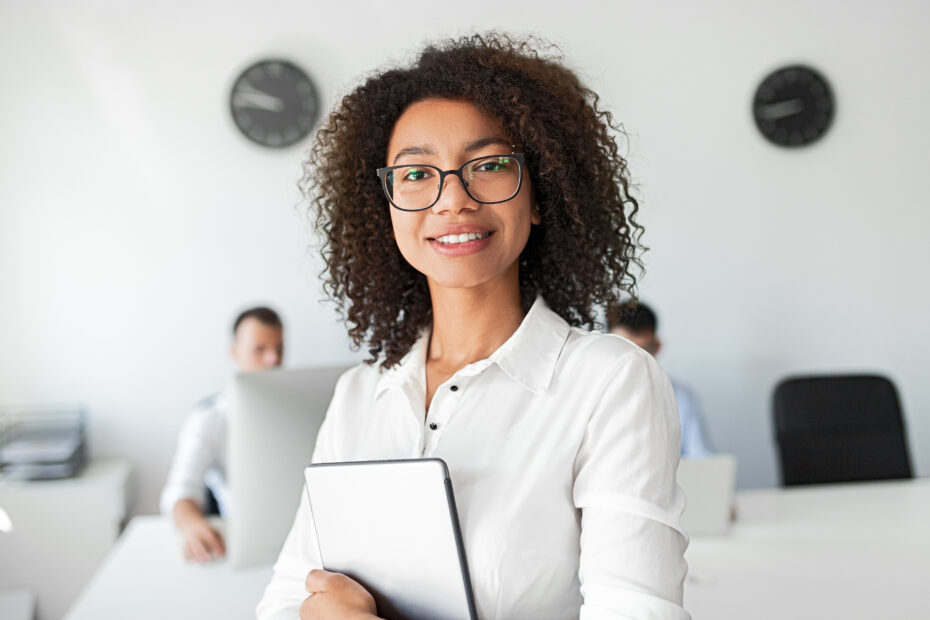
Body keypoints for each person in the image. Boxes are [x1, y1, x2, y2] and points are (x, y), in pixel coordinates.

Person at [258, 33, 688, 619]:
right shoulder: (360, 396)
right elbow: (285, 603)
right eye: (415, 175)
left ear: (539, 195)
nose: (451, 200)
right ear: (385, 210)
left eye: (488, 165)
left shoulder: (611, 383)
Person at [160, 306, 284, 563]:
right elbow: (179, 491)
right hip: (243, 546)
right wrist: (192, 525)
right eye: (260, 349)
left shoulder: (302, 409)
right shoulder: (209, 418)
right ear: (235, 353)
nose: (273, 359)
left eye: (279, 349)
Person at [607, 301, 713, 458]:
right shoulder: (588, 394)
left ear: (657, 347)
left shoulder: (681, 397)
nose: (631, 362)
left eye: (641, 351)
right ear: (605, 347)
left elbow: (702, 460)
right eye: (623, 350)